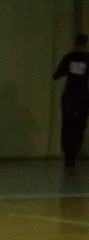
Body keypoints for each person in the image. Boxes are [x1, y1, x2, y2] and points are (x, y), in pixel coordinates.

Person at [53, 33, 89, 167]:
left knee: (68, 125)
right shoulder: (86, 58)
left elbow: (57, 74)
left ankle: (69, 154)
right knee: (79, 125)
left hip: (70, 95)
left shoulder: (69, 57)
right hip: (82, 96)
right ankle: (73, 153)